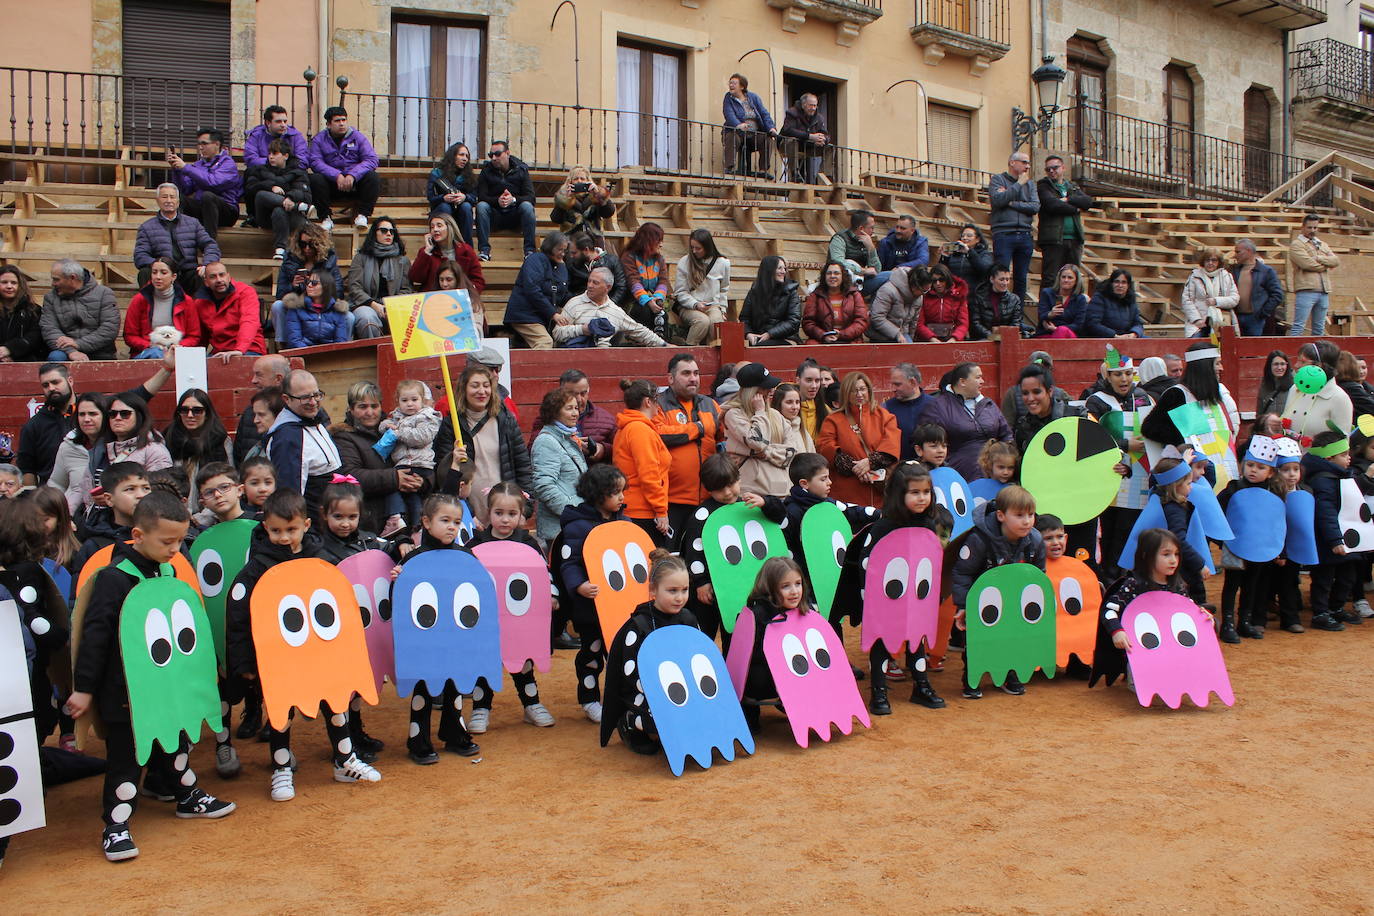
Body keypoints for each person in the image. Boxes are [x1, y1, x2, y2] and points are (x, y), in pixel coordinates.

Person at [68, 491, 236, 862]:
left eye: (180, 540)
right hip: (126, 692)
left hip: (168, 685)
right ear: (138, 535)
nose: (176, 549)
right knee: (128, 758)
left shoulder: (168, 570)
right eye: (167, 541)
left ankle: (187, 797)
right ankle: (115, 826)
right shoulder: (113, 579)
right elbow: (94, 636)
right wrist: (83, 690)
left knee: (175, 743)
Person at [226, 489, 381, 798]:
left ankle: (345, 759)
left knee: (335, 703)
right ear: (265, 527)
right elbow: (238, 616)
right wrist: (244, 663)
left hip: (323, 654)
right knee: (282, 712)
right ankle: (281, 768)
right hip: (280, 659)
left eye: (291, 529)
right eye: (276, 530)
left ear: (307, 524)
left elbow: (342, 608)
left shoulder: (321, 560)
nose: (284, 537)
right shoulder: (256, 570)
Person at [852, 461, 953, 711]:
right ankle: (878, 692)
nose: (922, 498)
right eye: (915, 492)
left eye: (926, 492)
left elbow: (932, 562)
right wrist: (871, 598)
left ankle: (921, 686)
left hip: (917, 596)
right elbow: (867, 560)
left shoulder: (928, 525)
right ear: (900, 494)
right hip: (887, 598)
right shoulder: (884, 526)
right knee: (882, 641)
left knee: (917, 638)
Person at [465, 482, 557, 730]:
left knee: (523, 663)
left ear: (521, 515)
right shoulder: (475, 546)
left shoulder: (529, 544)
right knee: (486, 664)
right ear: (489, 512)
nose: (505, 520)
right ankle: (481, 709)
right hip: (486, 621)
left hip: (521, 619)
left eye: (512, 514)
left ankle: (532, 704)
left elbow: (544, 575)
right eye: (499, 513)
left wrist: (551, 594)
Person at [601, 550, 704, 756]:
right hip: (644, 692)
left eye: (684, 590)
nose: (680, 597)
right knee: (659, 717)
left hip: (684, 688)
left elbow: (700, 659)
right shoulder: (638, 625)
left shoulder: (689, 619)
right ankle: (630, 723)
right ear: (653, 590)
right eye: (672, 590)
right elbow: (630, 674)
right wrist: (662, 693)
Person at [951, 485, 1044, 698]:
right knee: (977, 642)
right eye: (1019, 515)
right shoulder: (979, 539)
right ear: (1001, 515)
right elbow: (962, 572)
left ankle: (1009, 673)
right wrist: (964, 605)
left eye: (1030, 515)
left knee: (1014, 638)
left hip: (1016, 602)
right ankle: (972, 677)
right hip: (981, 602)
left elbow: (1040, 576)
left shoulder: (1036, 541)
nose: (1027, 521)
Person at [18, 357, 170, 487]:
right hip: (57, 497)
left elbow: (140, 394)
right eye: (45, 385)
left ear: (70, 380)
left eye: (55, 382)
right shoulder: (33, 426)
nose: (51, 388)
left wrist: (168, 368)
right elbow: (27, 470)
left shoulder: (102, 408)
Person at [558, 463, 629, 722]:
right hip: (591, 608)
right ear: (598, 495)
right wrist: (579, 586)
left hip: (621, 607)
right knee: (591, 655)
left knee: (621, 654)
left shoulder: (625, 521)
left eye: (623, 491)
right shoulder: (577, 526)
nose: (622, 497)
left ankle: (621, 698)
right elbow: (569, 562)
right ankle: (589, 699)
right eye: (616, 492)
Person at [1095, 528, 1189, 682]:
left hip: (1171, 646)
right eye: (1166, 554)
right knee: (1144, 684)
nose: (1173, 560)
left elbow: (1188, 611)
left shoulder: (1178, 586)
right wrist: (1117, 631)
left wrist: (1201, 617)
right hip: (1141, 649)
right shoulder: (1134, 585)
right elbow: (1109, 610)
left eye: (1176, 554)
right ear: (1147, 556)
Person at [441, 363, 533, 521]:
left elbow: (522, 465)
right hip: (470, 512)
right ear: (464, 389)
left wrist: (525, 509)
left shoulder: (506, 420)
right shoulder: (452, 424)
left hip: (505, 510)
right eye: (475, 386)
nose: (482, 391)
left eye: (486, 385)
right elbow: (442, 475)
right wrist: (467, 515)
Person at [329, 380, 420, 536]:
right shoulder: (344, 438)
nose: (370, 412)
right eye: (362, 407)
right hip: (373, 521)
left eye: (374, 406)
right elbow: (350, 475)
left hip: (408, 515)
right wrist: (394, 478)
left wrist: (422, 480)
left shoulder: (396, 429)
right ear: (351, 409)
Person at [1141, 343, 1240, 479]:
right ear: (1205, 367)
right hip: (1193, 474)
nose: (1221, 368)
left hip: (1223, 469)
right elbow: (1150, 428)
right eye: (1217, 363)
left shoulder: (1215, 393)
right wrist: (1183, 443)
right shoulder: (1177, 394)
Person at [652, 354, 721, 538]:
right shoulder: (658, 404)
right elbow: (658, 435)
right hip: (672, 501)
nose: (693, 378)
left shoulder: (711, 404)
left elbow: (723, 437)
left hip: (709, 497)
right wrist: (697, 428)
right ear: (670, 378)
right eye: (686, 373)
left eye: (696, 373)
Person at [1302, 430, 1361, 630]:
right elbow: (1325, 513)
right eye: (1344, 455)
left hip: (1343, 538)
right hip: (1327, 541)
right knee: (1323, 579)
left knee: (1347, 575)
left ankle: (1336, 608)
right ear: (1329, 457)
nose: (1349, 458)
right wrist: (1335, 541)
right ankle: (1320, 613)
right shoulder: (1323, 480)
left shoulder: (1340, 476)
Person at [75, 392, 173, 511]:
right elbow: (84, 489)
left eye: (125, 414)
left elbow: (162, 493)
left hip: (137, 523)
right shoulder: (100, 449)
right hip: (99, 522)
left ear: (139, 416)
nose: (118, 418)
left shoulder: (154, 451)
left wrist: (114, 500)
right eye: (112, 414)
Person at [815, 371, 899, 508]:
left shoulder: (885, 417)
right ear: (845, 393)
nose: (859, 394)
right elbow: (825, 447)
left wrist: (870, 462)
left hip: (880, 492)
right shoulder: (833, 420)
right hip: (847, 493)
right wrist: (857, 468)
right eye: (853, 391)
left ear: (869, 391)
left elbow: (891, 445)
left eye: (862, 389)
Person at [265, 369, 341, 514]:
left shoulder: (314, 420)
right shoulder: (287, 437)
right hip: (315, 523)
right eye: (305, 397)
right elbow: (290, 496)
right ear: (287, 399)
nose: (313, 402)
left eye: (317, 395)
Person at [923, 362, 1014, 481]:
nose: (982, 381)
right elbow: (928, 441)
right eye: (977, 377)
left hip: (994, 477)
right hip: (956, 476)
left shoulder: (989, 404)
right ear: (962, 382)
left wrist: (1004, 463)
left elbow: (1006, 436)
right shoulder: (937, 407)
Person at [719, 363, 795, 497]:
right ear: (752, 391)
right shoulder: (733, 414)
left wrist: (764, 453)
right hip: (749, 494)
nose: (771, 391)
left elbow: (792, 451)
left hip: (782, 492)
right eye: (766, 388)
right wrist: (759, 413)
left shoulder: (776, 415)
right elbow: (757, 443)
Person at [613, 378, 671, 545]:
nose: (658, 406)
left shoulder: (630, 427)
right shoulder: (640, 430)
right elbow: (649, 475)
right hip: (643, 512)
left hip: (635, 508)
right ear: (648, 402)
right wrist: (661, 510)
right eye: (656, 401)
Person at [132, 183, 220, 291]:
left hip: (188, 272)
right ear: (157, 200)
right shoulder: (146, 227)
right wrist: (159, 267)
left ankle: (201, 307)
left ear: (178, 201)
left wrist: (208, 264)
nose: (168, 200)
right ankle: (150, 306)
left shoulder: (193, 223)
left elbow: (210, 244)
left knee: (203, 274)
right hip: (162, 273)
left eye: (172, 197)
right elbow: (140, 256)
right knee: (144, 273)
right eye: (164, 197)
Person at [530, 386, 589, 544]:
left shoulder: (567, 437)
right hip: (560, 529)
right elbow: (544, 486)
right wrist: (573, 511)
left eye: (576, 408)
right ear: (555, 412)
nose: (575, 413)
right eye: (569, 408)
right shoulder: (547, 441)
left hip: (573, 525)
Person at [307, 106, 380, 231]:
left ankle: (363, 216)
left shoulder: (358, 137)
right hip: (331, 185)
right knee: (315, 179)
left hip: (355, 184)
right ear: (329, 124)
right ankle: (326, 218)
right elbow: (315, 162)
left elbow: (371, 159)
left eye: (344, 120)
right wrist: (336, 176)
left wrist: (353, 175)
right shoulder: (319, 139)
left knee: (373, 177)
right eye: (337, 121)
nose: (341, 124)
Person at [555, 266, 665, 348]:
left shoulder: (616, 311)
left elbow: (640, 331)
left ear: (608, 287)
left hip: (603, 363)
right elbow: (557, 333)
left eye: (595, 283)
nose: (590, 285)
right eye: (589, 281)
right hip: (575, 360)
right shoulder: (574, 304)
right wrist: (582, 329)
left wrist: (665, 345)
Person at [529, 368, 616, 464]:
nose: (579, 399)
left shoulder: (606, 419)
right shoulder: (547, 418)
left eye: (583, 393)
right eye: (572, 394)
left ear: (588, 391)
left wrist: (603, 449)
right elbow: (534, 450)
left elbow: (621, 450)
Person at [272, 223, 343, 340]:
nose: (307, 248)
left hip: (321, 306)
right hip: (296, 306)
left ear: (319, 244)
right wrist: (293, 286)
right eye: (303, 244)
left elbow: (338, 292)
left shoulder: (329, 261)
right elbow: (280, 294)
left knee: (349, 317)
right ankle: (282, 345)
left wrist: (321, 289)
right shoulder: (290, 261)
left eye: (311, 244)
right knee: (278, 306)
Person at [167, 128, 241, 239]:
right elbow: (185, 189)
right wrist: (177, 170)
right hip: (203, 209)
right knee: (178, 198)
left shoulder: (228, 163)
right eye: (199, 144)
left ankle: (209, 245)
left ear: (217, 144)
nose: (201, 147)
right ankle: (177, 241)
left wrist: (186, 168)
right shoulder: (198, 164)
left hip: (226, 213)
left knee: (208, 196)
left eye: (204, 144)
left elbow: (213, 183)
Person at [163, 388, 230, 511]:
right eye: (184, 410)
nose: (190, 415)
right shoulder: (168, 438)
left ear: (207, 413)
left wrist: (204, 518)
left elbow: (227, 483)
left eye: (197, 411)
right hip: (174, 513)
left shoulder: (220, 440)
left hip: (212, 514)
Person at [243, 137, 310, 259]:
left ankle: (280, 249)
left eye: (275, 153)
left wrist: (290, 197)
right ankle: (296, 207)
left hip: (292, 217)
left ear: (285, 156)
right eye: (269, 153)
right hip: (265, 216)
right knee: (261, 194)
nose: (270, 157)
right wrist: (271, 187)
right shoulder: (259, 170)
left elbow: (305, 194)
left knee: (279, 210)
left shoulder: (298, 172)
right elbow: (250, 188)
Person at [122, 257, 202, 359]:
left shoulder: (187, 301)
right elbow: (130, 336)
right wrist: (150, 346)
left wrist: (178, 347)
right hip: (147, 352)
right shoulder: (139, 300)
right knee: (156, 354)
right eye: (154, 272)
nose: (158, 277)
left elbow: (194, 336)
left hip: (178, 352)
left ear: (173, 276)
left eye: (163, 273)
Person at [345, 217, 411, 339]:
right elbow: (355, 287)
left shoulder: (402, 260)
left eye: (392, 231)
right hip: (366, 304)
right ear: (375, 233)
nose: (388, 234)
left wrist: (390, 305)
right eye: (384, 230)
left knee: (407, 317)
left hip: (393, 304)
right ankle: (372, 354)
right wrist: (373, 304)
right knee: (367, 318)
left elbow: (406, 289)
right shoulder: (361, 258)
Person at [40, 259, 119, 361]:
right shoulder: (50, 298)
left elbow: (109, 329)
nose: (53, 284)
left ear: (72, 278)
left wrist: (78, 344)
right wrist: (71, 351)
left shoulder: (104, 294)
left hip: (100, 352)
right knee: (56, 357)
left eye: (56, 279)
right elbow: (49, 329)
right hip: (65, 352)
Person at [1035, 155, 1093, 291]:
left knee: (1073, 277)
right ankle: (1046, 310)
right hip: (1053, 239)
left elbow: (1088, 202)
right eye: (1048, 169)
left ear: (1063, 168)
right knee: (1051, 277)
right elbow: (1052, 205)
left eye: (1055, 168)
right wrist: (1076, 209)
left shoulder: (1072, 186)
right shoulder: (1043, 186)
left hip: (1075, 240)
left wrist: (1067, 199)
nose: (1051, 171)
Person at [506, 231, 571, 349]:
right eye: (559, 249)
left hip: (541, 315)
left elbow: (562, 292)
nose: (562, 253)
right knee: (545, 342)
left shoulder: (560, 265)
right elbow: (532, 290)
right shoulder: (535, 259)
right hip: (525, 314)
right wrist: (553, 314)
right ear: (550, 246)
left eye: (565, 250)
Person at [987, 152, 1039, 299]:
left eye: (1028, 163)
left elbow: (1035, 207)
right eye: (1024, 162)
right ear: (1012, 163)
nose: (1027, 166)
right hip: (1004, 234)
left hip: (1024, 235)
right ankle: (997, 312)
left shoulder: (1031, 184)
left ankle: (1017, 315)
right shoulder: (998, 180)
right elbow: (998, 200)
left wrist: (1011, 202)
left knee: (1021, 278)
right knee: (1000, 275)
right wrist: (1018, 185)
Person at [1280, 342, 1351, 444]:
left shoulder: (1339, 398)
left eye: (1303, 361)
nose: (1296, 365)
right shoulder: (1295, 389)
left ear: (1319, 366)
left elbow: (1342, 444)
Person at [476, 139, 537, 259]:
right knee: (481, 206)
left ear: (507, 153)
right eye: (491, 155)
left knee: (527, 206)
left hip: (516, 216)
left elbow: (531, 197)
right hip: (495, 216)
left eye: (497, 154)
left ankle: (529, 251)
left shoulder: (521, 170)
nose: (493, 158)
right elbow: (481, 197)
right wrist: (497, 201)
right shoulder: (486, 171)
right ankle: (484, 251)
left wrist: (513, 199)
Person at [193, 262, 266, 358]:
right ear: (206, 282)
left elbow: (249, 321)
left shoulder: (245, 292)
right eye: (213, 277)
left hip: (249, 349)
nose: (219, 280)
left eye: (222, 275)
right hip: (220, 352)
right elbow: (202, 337)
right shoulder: (200, 303)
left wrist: (239, 349)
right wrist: (195, 358)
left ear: (228, 277)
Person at [48, 393, 107, 513]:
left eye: (93, 414)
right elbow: (57, 484)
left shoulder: (117, 445)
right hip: (75, 517)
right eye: (82, 414)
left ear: (105, 416)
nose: (86, 419)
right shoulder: (68, 446)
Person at [673, 228, 731, 346]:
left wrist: (723, 309)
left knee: (716, 323)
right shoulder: (684, 262)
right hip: (689, 306)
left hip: (713, 305)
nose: (694, 251)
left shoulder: (723, 263)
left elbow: (724, 289)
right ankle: (689, 349)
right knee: (702, 322)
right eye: (692, 247)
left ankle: (712, 353)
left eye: (698, 248)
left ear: (707, 247)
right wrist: (695, 304)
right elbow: (680, 292)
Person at [1288, 212, 1339, 337]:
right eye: (1309, 227)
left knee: (1319, 329)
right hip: (1306, 290)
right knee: (1299, 326)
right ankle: (1291, 354)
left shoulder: (1321, 244)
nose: (1312, 230)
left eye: (1315, 227)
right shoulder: (1296, 245)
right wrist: (1326, 264)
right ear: (1303, 227)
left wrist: (1318, 258)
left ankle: (1317, 355)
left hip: (1323, 290)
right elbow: (1307, 264)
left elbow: (1336, 261)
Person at [409, 212, 485, 295]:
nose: (435, 230)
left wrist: (467, 295)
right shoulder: (426, 252)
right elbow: (416, 278)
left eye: (439, 225)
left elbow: (478, 281)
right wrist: (426, 252)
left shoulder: (466, 250)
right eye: (432, 227)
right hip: (432, 299)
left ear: (450, 228)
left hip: (460, 300)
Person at [620, 223, 670, 336]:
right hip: (632, 300)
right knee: (644, 312)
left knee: (662, 315)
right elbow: (633, 281)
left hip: (653, 297)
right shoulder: (629, 257)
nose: (661, 245)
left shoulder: (659, 259)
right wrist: (647, 301)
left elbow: (663, 281)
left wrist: (658, 297)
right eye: (658, 241)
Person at [722, 73, 777, 176]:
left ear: (742, 86)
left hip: (753, 135)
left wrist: (771, 128)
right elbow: (728, 114)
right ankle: (729, 168)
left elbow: (764, 113)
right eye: (730, 83)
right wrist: (738, 125)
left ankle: (763, 170)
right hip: (737, 133)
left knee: (767, 139)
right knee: (732, 136)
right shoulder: (728, 98)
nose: (731, 85)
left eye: (734, 83)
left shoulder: (753, 97)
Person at [425, 141, 479, 246]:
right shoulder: (437, 173)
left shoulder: (469, 176)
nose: (465, 159)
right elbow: (431, 197)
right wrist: (443, 198)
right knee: (445, 207)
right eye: (461, 155)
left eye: (467, 156)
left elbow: (474, 198)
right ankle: (444, 246)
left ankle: (467, 248)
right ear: (453, 156)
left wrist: (464, 197)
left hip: (461, 212)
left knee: (466, 206)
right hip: (442, 210)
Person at [803, 260, 869, 344]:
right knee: (811, 346)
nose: (832, 276)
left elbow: (861, 321)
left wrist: (842, 334)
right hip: (822, 340)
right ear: (824, 276)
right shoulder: (815, 296)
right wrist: (823, 335)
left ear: (843, 276)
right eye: (829, 273)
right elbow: (808, 322)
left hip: (849, 339)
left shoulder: (855, 295)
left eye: (836, 273)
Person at [740, 255, 801, 346]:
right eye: (779, 268)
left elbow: (793, 321)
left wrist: (770, 334)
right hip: (759, 337)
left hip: (785, 338)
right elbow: (744, 318)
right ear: (769, 270)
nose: (783, 272)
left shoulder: (791, 292)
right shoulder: (755, 291)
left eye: (784, 268)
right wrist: (748, 334)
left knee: (760, 347)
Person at [1229, 238, 1284, 337]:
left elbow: (1277, 295)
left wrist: (1263, 313)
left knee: (1254, 348)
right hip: (1236, 317)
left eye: (1238, 252)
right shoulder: (1234, 270)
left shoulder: (1266, 271)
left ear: (1249, 251)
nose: (1235, 255)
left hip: (1255, 318)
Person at [281, 270, 349, 348]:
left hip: (330, 356)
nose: (309, 285)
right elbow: (294, 341)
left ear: (326, 286)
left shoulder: (337, 310)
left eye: (314, 283)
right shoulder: (296, 308)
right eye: (307, 282)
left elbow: (340, 342)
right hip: (303, 355)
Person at [1181, 247, 1239, 337]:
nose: (1210, 263)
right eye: (1207, 260)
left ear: (1219, 262)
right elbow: (1187, 300)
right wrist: (1197, 320)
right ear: (1203, 262)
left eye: (1214, 260)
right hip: (1199, 324)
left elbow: (1235, 299)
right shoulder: (1194, 276)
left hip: (1222, 322)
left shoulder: (1227, 276)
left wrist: (1216, 301)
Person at [828, 210, 886, 302]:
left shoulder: (867, 241)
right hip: (840, 283)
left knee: (890, 276)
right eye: (871, 228)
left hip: (860, 282)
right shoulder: (839, 239)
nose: (873, 231)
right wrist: (863, 271)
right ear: (861, 228)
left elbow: (877, 270)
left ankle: (874, 310)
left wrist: (871, 248)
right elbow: (838, 263)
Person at [867, 266, 930, 344]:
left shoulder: (918, 297)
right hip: (879, 335)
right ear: (915, 287)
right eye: (923, 291)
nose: (924, 294)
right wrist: (897, 334)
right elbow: (877, 317)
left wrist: (911, 339)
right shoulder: (887, 290)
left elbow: (913, 322)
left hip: (903, 335)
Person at [969, 263, 1031, 340]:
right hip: (984, 338)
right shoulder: (979, 297)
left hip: (1007, 338)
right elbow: (975, 323)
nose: (1005, 283)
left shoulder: (1014, 299)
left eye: (1007, 279)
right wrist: (991, 336)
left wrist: (1005, 335)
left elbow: (1016, 323)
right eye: (1001, 279)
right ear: (992, 279)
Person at [884, 363, 930, 461]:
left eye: (897, 384)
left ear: (912, 382)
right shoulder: (886, 408)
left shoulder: (935, 405)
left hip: (930, 470)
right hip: (898, 470)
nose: (893, 389)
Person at [779, 92, 829, 184]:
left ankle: (824, 177)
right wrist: (810, 136)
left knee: (830, 147)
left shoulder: (819, 117)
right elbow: (788, 130)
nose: (813, 108)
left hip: (808, 146)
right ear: (803, 105)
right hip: (787, 145)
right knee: (792, 141)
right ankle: (794, 174)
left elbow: (826, 134)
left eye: (815, 106)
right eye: (811, 105)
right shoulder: (792, 113)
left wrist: (823, 139)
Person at [551, 165, 614, 236]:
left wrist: (598, 195)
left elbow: (608, 213)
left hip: (593, 237)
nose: (579, 181)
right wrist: (565, 199)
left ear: (588, 181)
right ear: (570, 181)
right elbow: (555, 219)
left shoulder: (595, 196)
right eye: (576, 179)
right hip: (570, 238)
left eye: (582, 179)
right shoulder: (565, 197)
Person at [1082, 268, 1145, 338]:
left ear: (1128, 285)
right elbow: (1092, 324)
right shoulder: (1099, 298)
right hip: (1104, 338)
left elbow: (1138, 323)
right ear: (1111, 283)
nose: (1120, 285)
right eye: (1117, 282)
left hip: (1126, 337)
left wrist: (1134, 334)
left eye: (1124, 282)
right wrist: (1114, 336)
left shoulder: (1131, 300)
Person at [566, 232, 628, 302]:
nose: (571, 256)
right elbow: (567, 288)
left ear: (586, 250)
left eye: (574, 253)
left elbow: (621, 287)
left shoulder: (612, 261)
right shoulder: (572, 264)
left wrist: (608, 306)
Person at [0, 266, 44, 362]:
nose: (9, 286)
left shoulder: (33, 310)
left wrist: (10, 349)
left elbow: (35, 337)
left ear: (20, 285)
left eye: (14, 283)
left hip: (26, 360)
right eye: (4, 282)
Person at [915, 264, 969, 342]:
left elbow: (963, 323)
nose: (938, 283)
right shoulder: (924, 296)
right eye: (934, 281)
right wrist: (931, 338)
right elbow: (919, 323)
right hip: (928, 339)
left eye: (941, 279)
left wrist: (954, 338)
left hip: (953, 339)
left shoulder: (959, 295)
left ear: (947, 279)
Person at [243, 105, 308, 168]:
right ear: (268, 123)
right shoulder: (256, 136)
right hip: (263, 175)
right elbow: (251, 160)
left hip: (289, 174)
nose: (283, 125)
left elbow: (303, 161)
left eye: (285, 121)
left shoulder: (295, 136)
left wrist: (281, 163)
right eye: (278, 121)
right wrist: (273, 162)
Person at [1035, 263, 1087, 338]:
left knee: (1062, 331)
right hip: (1046, 333)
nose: (1066, 280)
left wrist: (1057, 329)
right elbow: (1041, 316)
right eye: (1063, 277)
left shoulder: (1080, 299)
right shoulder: (1047, 293)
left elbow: (1079, 325)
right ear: (1059, 278)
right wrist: (1050, 314)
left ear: (1076, 281)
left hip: (1068, 335)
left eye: (1070, 278)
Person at [940, 224, 993, 292]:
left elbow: (985, 270)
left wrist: (969, 252)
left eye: (969, 236)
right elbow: (942, 272)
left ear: (977, 239)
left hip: (975, 295)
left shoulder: (984, 254)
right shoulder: (954, 254)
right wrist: (945, 257)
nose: (964, 238)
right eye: (962, 236)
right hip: (954, 294)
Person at [771, 382, 814, 456]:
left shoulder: (802, 431)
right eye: (789, 402)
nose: (795, 407)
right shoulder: (771, 429)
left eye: (797, 402)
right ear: (778, 403)